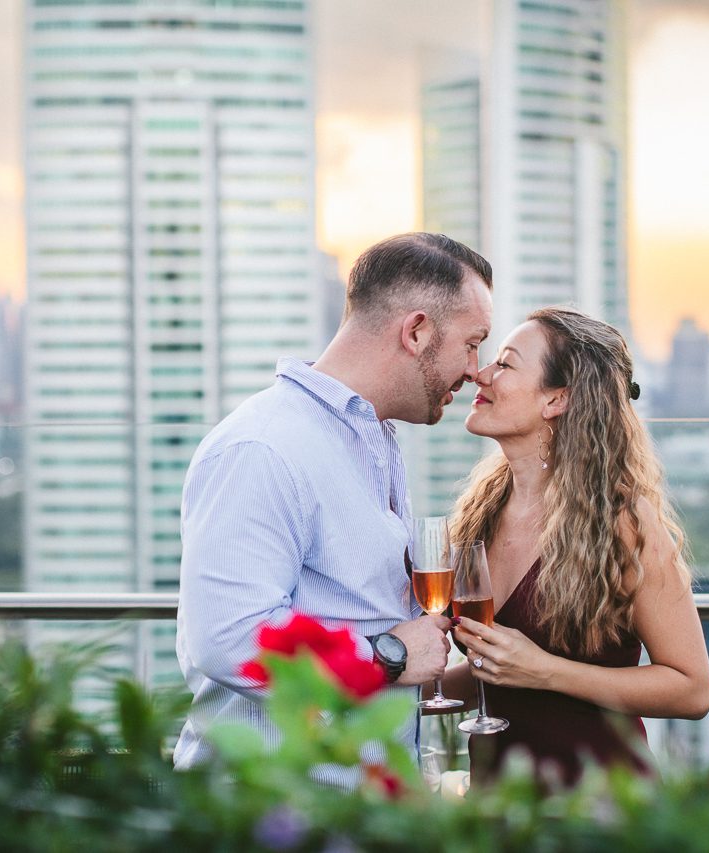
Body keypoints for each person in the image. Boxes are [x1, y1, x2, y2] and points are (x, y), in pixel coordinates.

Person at [174, 233, 494, 769]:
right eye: (472, 342)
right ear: (416, 331)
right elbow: (228, 639)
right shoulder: (264, 446)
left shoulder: (373, 440)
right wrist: (386, 657)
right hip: (277, 810)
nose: (475, 369)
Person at [446, 306, 709, 786]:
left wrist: (546, 671)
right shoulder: (480, 511)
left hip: (599, 810)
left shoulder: (624, 523)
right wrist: (398, 688)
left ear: (556, 400)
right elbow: (501, 668)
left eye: (504, 364)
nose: (481, 374)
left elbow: (692, 690)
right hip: (496, 806)